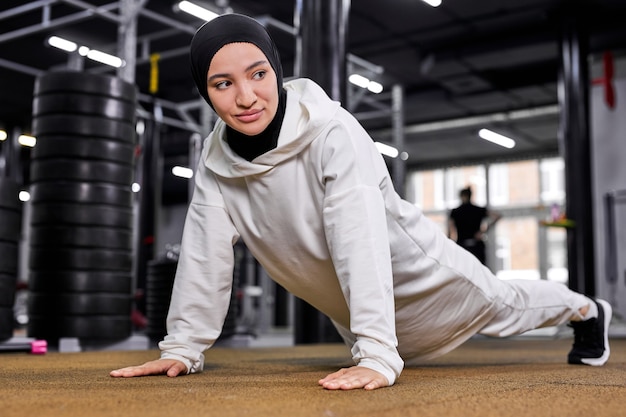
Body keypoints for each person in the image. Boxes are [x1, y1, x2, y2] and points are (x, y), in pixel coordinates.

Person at [110, 13, 612, 391]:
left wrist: (376, 353)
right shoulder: (216, 160)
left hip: (427, 281)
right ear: (205, 91)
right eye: (223, 84)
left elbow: (358, 238)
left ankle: (588, 311)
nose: (246, 97)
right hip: (359, 316)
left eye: (258, 74)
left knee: (509, 306)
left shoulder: (332, 131)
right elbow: (205, 250)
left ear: (277, 72)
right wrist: (183, 347)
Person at [448, 186, 501, 265]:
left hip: (462, 246)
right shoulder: (478, 209)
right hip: (477, 246)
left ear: (461, 196)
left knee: (463, 270)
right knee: (480, 270)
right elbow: (497, 216)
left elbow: (450, 231)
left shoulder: (455, 212)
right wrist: (483, 231)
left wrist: (450, 245)